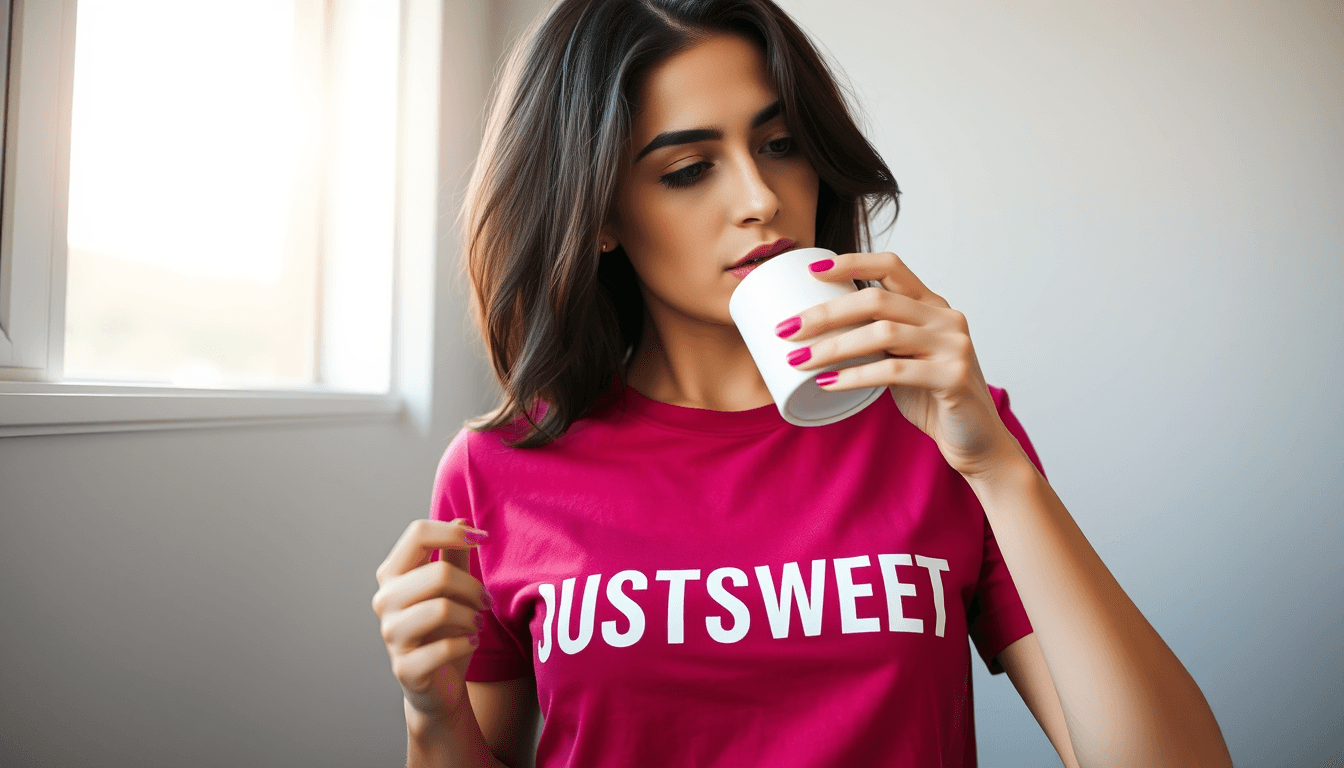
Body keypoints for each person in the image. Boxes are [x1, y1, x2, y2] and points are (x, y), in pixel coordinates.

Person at [371, 1, 1234, 766]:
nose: (761, 197)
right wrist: (433, 718)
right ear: (598, 213)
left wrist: (1000, 472)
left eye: (781, 145)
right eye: (688, 168)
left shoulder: (949, 432)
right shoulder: (500, 468)